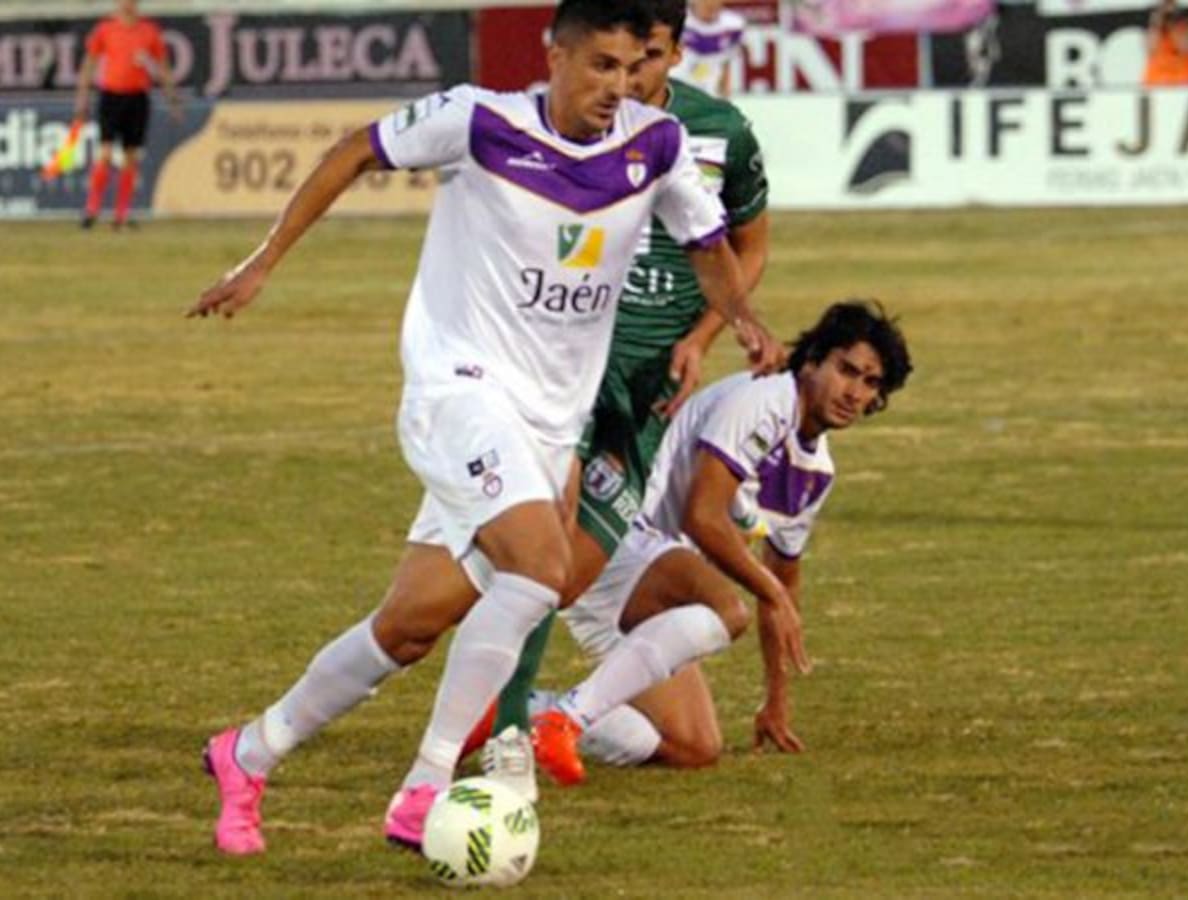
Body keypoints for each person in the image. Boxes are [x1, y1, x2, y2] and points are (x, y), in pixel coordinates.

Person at [189, 0, 778, 857]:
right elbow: (356, 149)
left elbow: (707, 244)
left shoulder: (656, 144)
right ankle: (427, 786)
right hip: (458, 391)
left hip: (548, 424)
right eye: (601, 65)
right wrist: (262, 261)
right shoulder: (479, 122)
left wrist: (743, 321)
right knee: (540, 566)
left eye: (633, 67)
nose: (619, 86)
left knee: (409, 627)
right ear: (555, 56)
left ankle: (248, 752)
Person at [469, 0, 770, 774]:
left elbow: (749, 247)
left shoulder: (718, 132)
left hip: (647, 389)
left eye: (649, 58)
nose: (630, 77)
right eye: (619, 60)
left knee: (568, 586)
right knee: (548, 548)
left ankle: (522, 705)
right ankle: (506, 732)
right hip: (568, 367)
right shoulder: (568, 122)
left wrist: (703, 338)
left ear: (675, 53)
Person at [529, 301, 913, 782]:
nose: (854, 393)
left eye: (871, 383)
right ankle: (565, 719)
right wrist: (771, 592)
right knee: (726, 609)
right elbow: (704, 517)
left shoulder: (816, 472)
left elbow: (783, 584)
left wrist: (775, 701)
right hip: (617, 536)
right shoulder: (767, 398)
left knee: (693, 746)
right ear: (812, 360)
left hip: (651, 578)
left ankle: (520, 713)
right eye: (846, 370)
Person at [74, 0, 180, 229]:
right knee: (104, 153)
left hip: (137, 98)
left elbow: (163, 67)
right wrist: (82, 98)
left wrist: (172, 98)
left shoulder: (149, 31)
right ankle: (92, 210)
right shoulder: (105, 30)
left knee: (130, 157)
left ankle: (121, 214)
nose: (127, 4)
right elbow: (89, 65)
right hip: (111, 96)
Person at [671, 0, 747, 98]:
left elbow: (728, 63)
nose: (710, 4)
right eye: (705, 1)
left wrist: (725, 97)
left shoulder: (733, 26)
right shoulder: (676, 22)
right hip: (677, 85)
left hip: (710, 89)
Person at [1143, 0, 1188, 86]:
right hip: (1156, 81)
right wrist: (1157, 22)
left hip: (1181, 81)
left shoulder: (1183, 23)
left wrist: (1174, 21)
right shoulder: (1154, 26)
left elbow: (1185, 48)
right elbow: (1151, 48)